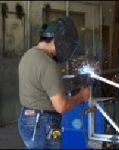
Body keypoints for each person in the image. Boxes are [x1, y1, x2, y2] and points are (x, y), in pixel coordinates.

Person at [18, 16, 90, 149]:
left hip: (27, 119)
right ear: (55, 41)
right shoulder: (48, 64)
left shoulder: (27, 56)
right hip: (44, 123)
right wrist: (81, 96)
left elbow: (40, 84)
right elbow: (61, 106)